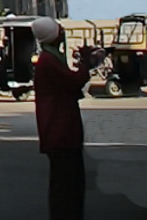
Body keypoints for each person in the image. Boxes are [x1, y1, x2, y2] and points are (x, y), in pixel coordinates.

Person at [32, 16, 97, 220]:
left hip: (60, 129)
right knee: (67, 183)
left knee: (67, 181)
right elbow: (73, 82)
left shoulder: (51, 58)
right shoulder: (49, 61)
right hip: (60, 131)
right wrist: (86, 63)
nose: (62, 32)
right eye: (58, 30)